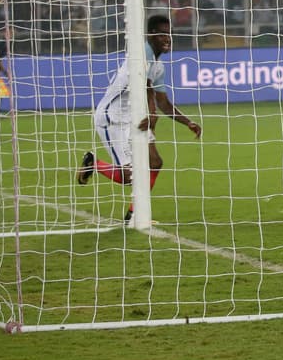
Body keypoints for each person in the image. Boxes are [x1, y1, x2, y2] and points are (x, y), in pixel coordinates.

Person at [78, 15, 202, 222]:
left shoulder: (158, 66)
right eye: (162, 34)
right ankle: (94, 163)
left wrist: (187, 122)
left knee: (155, 162)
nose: (167, 38)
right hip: (112, 118)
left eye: (169, 34)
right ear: (151, 35)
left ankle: (133, 214)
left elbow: (162, 101)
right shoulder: (140, 54)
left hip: (135, 118)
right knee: (129, 177)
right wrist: (151, 114)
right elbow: (145, 86)